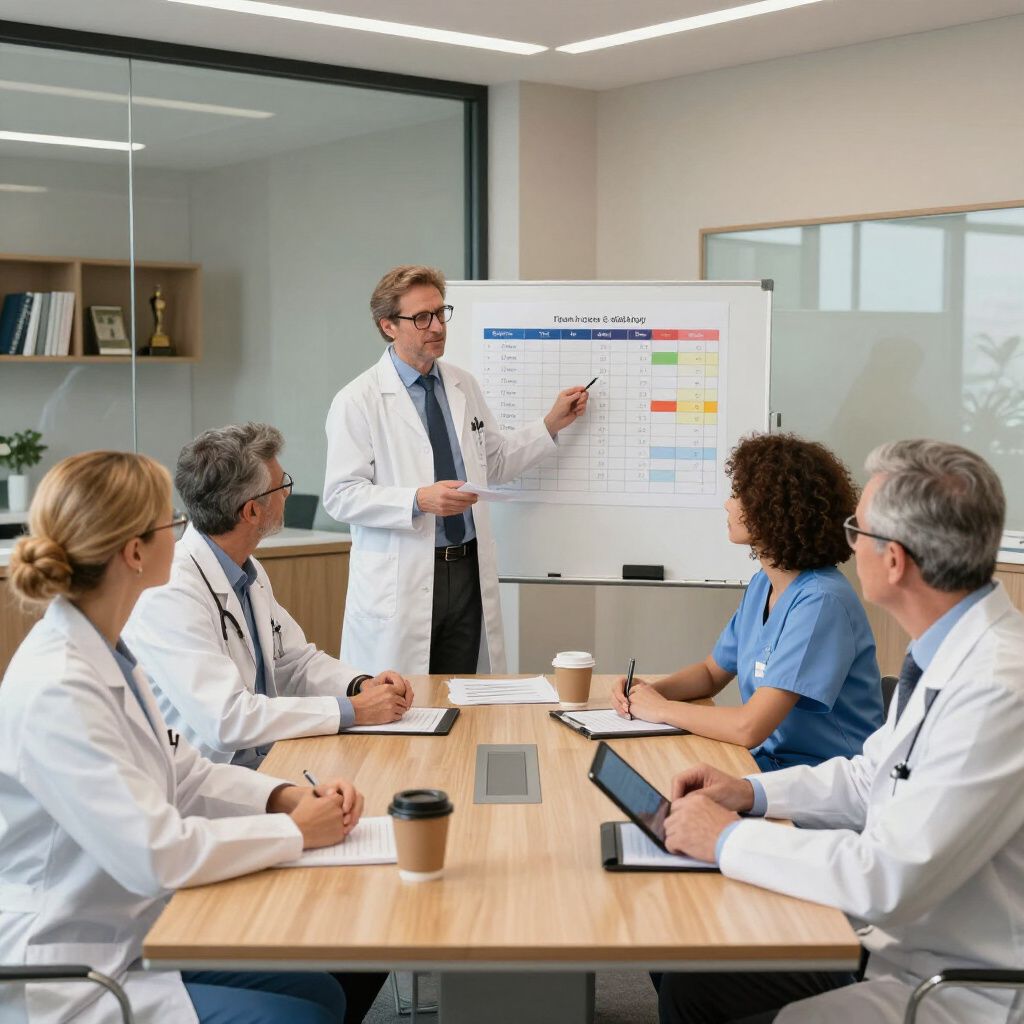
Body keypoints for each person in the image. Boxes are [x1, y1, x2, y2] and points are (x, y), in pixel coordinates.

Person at [657, 439, 1024, 1024]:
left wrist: (725, 839)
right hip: (898, 943)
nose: (848, 543)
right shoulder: (946, 654)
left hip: (953, 986)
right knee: (694, 979)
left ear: (895, 560)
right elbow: (866, 777)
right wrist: (748, 793)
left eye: (859, 530)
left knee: (708, 973)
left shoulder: (998, 688)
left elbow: (887, 877)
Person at [0, 451, 370, 1024]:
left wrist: (283, 796)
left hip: (129, 929)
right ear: (135, 552)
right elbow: (157, 855)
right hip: (70, 964)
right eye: (172, 522)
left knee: (324, 993)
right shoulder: (59, 688)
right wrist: (292, 832)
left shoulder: (107, 652)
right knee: (299, 1016)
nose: (186, 532)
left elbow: (183, 768)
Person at [323, 264, 589, 675]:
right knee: (404, 706)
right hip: (406, 574)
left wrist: (550, 424)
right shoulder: (357, 400)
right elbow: (341, 495)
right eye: (422, 318)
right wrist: (417, 499)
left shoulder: (462, 385)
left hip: (466, 569)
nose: (437, 327)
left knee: (466, 698)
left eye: (440, 312)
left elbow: (494, 462)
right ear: (388, 326)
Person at [125, 424, 413, 771]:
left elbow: (294, 662)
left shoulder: (248, 571)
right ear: (251, 512)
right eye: (282, 485)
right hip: (211, 778)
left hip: (271, 758)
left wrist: (361, 685)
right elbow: (228, 720)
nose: (288, 494)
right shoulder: (169, 594)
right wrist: (354, 710)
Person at [613, 433, 883, 770]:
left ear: (773, 508)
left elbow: (749, 727)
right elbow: (712, 673)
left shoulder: (821, 602)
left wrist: (661, 709)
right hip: (767, 765)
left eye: (737, 494)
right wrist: (648, 693)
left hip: (823, 781)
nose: (728, 504)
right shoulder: (763, 585)